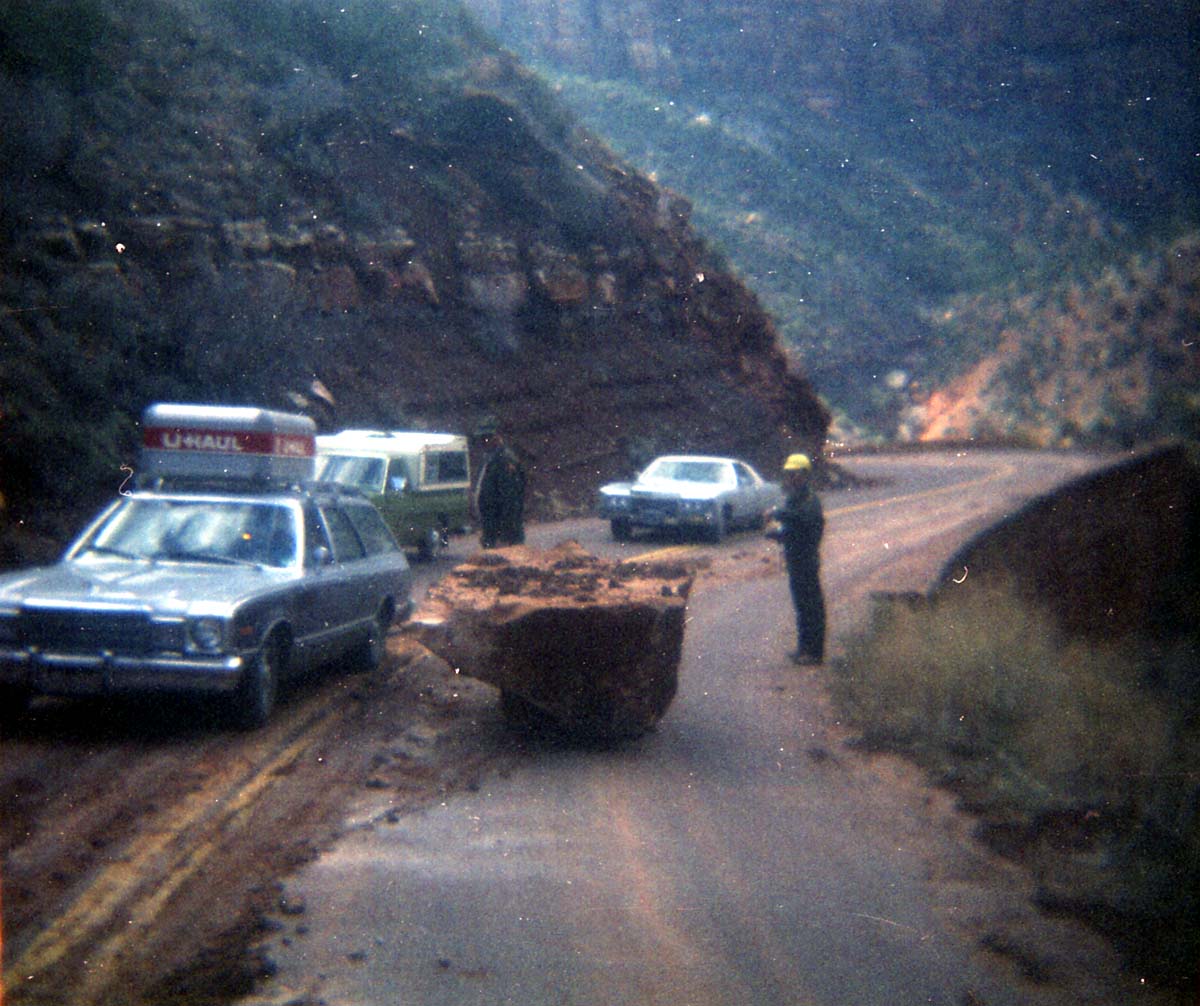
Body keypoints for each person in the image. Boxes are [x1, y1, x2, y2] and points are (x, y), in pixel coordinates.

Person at [766, 452, 826, 665]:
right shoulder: (794, 499)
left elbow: (803, 520)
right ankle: (804, 649)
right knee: (802, 608)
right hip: (795, 560)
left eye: (795, 474)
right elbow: (793, 529)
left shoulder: (810, 500)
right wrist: (777, 535)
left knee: (811, 608)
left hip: (807, 560)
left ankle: (815, 652)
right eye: (789, 474)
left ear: (805, 475)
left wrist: (777, 514)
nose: (791, 478)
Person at [473, 418, 526, 548]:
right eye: (481, 438)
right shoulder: (489, 459)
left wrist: (504, 536)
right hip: (491, 531)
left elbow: (511, 501)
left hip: (504, 536)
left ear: (497, 436)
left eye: (487, 437)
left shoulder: (505, 460)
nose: (483, 442)